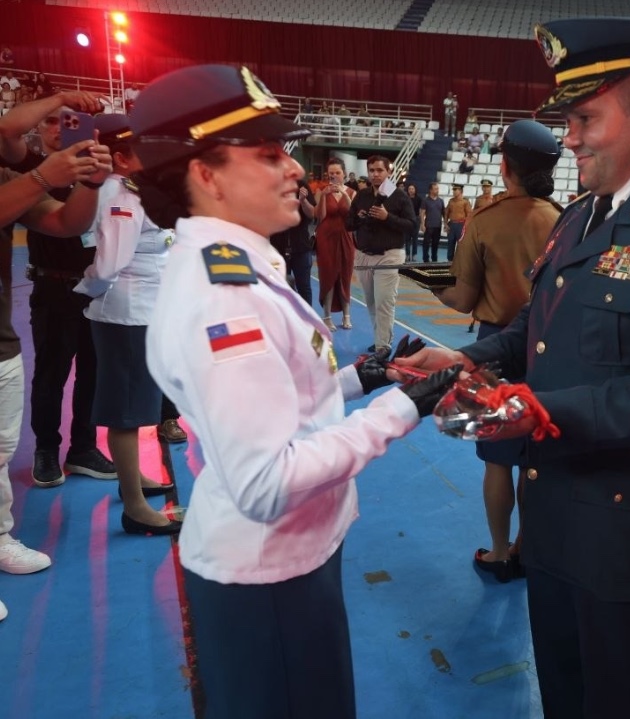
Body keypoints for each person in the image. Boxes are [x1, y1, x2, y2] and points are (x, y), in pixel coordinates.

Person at [396, 18, 630, 718]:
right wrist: (466, 357)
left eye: (584, 118)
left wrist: (541, 412)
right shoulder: (580, 216)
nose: (568, 138)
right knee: (561, 692)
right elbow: (536, 332)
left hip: (624, 531)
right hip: (553, 511)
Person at [130, 63, 459, 717]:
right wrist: (400, 409)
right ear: (206, 175)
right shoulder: (223, 297)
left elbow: (278, 399)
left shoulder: (239, 264)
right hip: (267, 574)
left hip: (287, 557)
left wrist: (361, 378)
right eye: (268, 153)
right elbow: (265, 480)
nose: (292, 169)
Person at [432, 120, 562, 583]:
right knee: (534, 459)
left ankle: (500, 552)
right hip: (549, 348)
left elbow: (463, 297)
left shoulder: (485, 221)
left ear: (505, 166)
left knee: (498, 460)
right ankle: (528, 548)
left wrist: (431, 285)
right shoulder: (564, 219)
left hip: (496, 347)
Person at [0, 91, 112, 619]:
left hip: (86, 291)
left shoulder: (40, 173)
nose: (61, 129)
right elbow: (9, 132)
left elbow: (69, 222)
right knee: (51, 374)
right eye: (53, 122)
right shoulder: (27, 167)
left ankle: (80, 450)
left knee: (3, 447)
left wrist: (91, 181)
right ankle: (48, 449)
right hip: (51, 285)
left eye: (71, 122)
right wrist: (62, 98)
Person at [73, 113, 177, 534]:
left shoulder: (136, 191)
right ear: (120, 157)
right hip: (126, 314)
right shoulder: (120, 194)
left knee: (135, 407)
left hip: (143, 312)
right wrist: (87, 292)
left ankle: (132, 480)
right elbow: (108, 265)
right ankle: (134, 506)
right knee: (126, 411)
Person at [350, 156, 415, 354]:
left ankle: (382, 347)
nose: (375, 174)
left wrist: (388, 218)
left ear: (389, 172)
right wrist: (358, 218)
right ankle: (381, 338)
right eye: (372, 170)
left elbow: (412, 226)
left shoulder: (399, 196)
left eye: (380, 170)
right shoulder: (362, 196)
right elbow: (348, 224)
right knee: (371, 302)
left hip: (390, 255)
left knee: (384, 302)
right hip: (364, 255)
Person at [315, 158, 355, 330]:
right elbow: (320, 216)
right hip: (326, 238)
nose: (334, 176)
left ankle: (347, 316)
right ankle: (327, 316)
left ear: (344, 173)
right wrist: (324, 196)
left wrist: (344, 194)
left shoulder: (352, 192)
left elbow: (353, 216)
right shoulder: (321, 191)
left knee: (345, 275)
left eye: (337, 172)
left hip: (346, 237)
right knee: (327, 276)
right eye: (331, 173)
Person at [270, 177, 316, 305]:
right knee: (280, 287)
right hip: (277, 246)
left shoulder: (301, 185)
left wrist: (303, 201)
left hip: (301, 246)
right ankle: (283, 316)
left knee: (304, 287)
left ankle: (306, 317)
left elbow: (312, 213)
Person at [443, 183, 471, 261]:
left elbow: (469, 215)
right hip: (452, 224)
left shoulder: (465, 202)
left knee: (461, 244)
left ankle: (460, 262)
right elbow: (446, 213)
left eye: (456, 190)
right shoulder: (451, 201)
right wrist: (445, 224)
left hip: (461, 225)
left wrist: (466, 227)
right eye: (453, 190)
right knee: (450, 243)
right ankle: (449, 261)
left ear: (460, 191)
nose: (454, 191)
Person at [420, 182, 445, 262]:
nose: (437, 190)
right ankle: (425, 259)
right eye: (435, 189)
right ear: (430, 190)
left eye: (437, 189)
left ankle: (434, 259)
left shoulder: (441, 201)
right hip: (428, 226)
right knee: (426, 244)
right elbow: (422, 213)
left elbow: (444, 213)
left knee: (435, 244)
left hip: (438, 226)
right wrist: (422, 224)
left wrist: (445, 224)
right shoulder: (425, 200)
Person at [404, 183, 422, 260]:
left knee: (415, 238)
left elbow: (421, 210)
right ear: (407, 190)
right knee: (407, 238)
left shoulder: (419, 199)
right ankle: (407, 254)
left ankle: (414, 254)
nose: (411, 190)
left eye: (412, 189)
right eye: (409, 189)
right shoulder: (405, 198)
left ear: (415, 190)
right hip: (407, 219)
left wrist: (420, 221)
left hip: (416, 219)